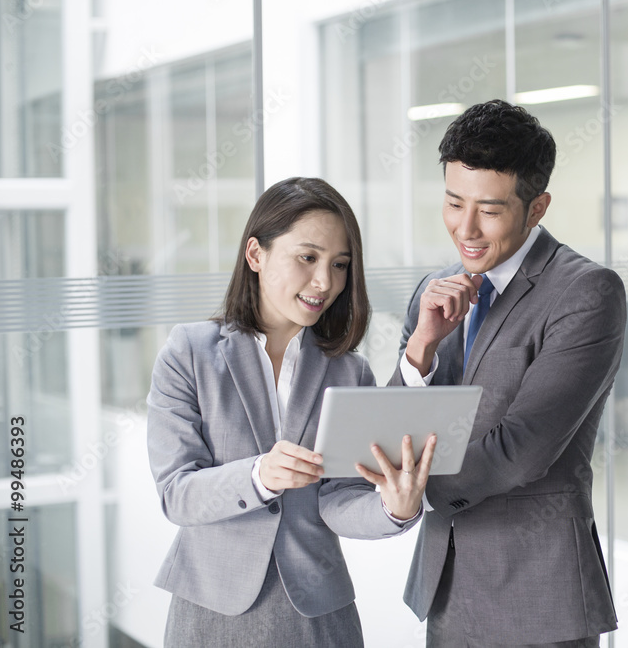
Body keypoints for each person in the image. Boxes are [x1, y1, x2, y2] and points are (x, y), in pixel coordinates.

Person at [146, 176, 436, 647]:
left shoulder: (348, 372)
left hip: (319, 618)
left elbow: (339, 500)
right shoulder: (189, 353)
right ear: (255, 254)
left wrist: (394, 509)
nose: (326, 282)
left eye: (340, 264)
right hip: (211, 614)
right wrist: (261, 475)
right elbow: (176, 495)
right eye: (308, 258)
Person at [391, 100, 626, 646]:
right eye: (453, 203)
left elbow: (523, 447)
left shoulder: (586, 292)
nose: (465, 228)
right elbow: (397, 429)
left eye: (490, 211)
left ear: (537, 207)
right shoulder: (439, 287)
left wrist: (411, 493)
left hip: (536, 593)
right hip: (446, 584)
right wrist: (422, 347)